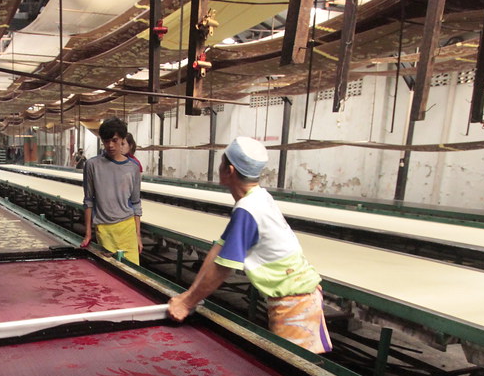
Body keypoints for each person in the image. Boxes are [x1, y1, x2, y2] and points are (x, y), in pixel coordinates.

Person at [167, 137, 332, 354]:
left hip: (296, 304)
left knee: (295, 368)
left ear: (229, 170)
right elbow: (219, 250)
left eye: (221, 163)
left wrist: (187, 303)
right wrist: (188, 295)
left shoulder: (248, 209)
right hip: (299, 296)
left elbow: (223, 268)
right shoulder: (257, 198)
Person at [80, 117, 143, 264]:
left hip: (127, 228)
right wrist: (88, 234)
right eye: (106, 141)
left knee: (132, 272)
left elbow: (136, 203)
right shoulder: (92, 165)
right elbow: (88, 201)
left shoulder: (133, 168)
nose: (110, 145)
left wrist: (137, 235)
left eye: (115, 140)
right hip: (104, 229)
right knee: (110, 272)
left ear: (122, 139)